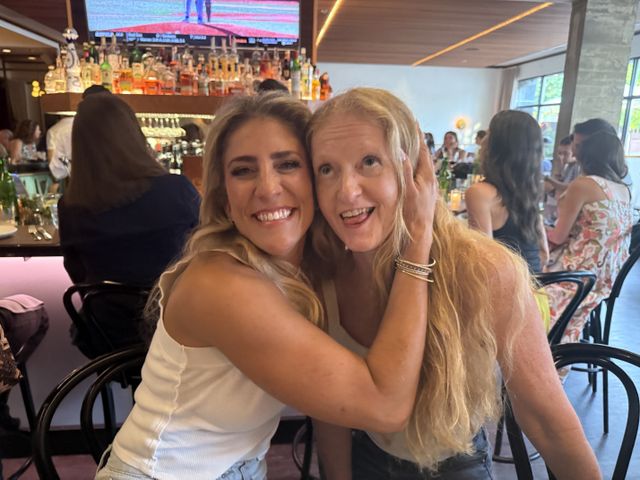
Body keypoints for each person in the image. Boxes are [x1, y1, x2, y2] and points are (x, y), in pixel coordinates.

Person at [95, 92, 435, 480]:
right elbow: (386, 407)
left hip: (244, 467)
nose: (268, 188)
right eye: (244, 171)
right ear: (224, 197)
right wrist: (418, 238)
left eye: (287, 164)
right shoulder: (222, 284)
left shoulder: (304, 270)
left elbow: (336, 397)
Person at [307, 88, 600, 480]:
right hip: (366, 455)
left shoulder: (485, 270)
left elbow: (546, 419)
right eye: (327, 169)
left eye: (370, 162)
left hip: (455, 465)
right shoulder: (321, 274)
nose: (346, 191)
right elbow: (331, 412)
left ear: (416, 170)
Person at [58, 94, 200, 354]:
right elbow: (207, 253)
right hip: (177, 333)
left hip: (109, 339)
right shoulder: (176, 189)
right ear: (135, 135)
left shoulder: (71, 206)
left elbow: (77, 274)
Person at [545, 131, 633, 345]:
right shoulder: (624, 191)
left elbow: (558, 237)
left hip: (576, 277)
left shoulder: (584, 184)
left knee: (520, 276)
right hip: (605, 279)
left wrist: (536, 227)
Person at [465, 110, 548, 273]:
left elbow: (482, 259)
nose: (483, 140)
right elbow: (544, 255)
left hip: (506, 284)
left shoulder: (480, 193)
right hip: (535, 284)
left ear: (497, 145)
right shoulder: (529, 190)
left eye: (489, 133)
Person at [544, 135, 578, 224]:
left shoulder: (577, 166)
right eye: (559, 153)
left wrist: (549, 179)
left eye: (566, 154)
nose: (561, 157)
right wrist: (560, 168)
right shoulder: (568, 166)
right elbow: (560, 179)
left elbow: (570, 186)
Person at [46, 116, 74, 182]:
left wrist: (56, 181)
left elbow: (52, 157)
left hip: (70, 175)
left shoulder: (53, 130)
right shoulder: (86, 126)